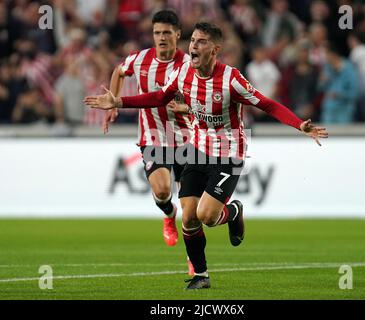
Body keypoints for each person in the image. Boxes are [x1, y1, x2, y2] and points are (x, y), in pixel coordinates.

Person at [85, 22, 328, 290]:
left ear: (215, 49)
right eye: (192, 41)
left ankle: (233, 212)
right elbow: (159, 97)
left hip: (228, 155)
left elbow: (267, 103)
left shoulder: (231, 79)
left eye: (201, 42)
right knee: (188, 217)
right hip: (198, 151)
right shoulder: (183, 73)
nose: (193, 46)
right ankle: (201, 275)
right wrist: (119, 102)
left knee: (207, 216)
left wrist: (299, 125)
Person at [101, 10, 194, 263]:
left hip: (187, 139)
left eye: (166, 32)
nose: (161, 37)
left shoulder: (189, 65)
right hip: (153, 137)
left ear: (177, 34)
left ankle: (193, 260)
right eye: (157, 33)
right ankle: (167, 214)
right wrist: (112, 104)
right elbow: (119, 72)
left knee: (191, 209)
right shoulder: (140, 59)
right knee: (163, 191)